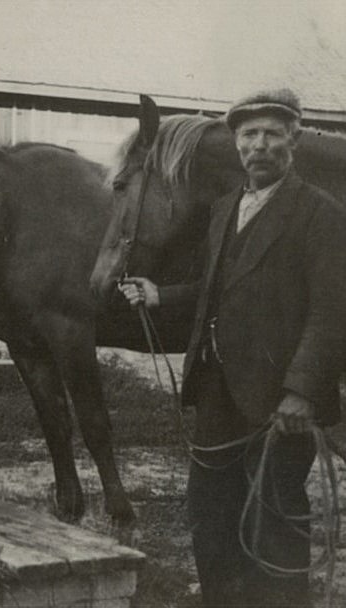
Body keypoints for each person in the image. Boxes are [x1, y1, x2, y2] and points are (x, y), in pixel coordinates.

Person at [119, 88, 346, 606]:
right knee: (210, 515)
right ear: (237, 144)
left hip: (280, 403)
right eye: (249, 135)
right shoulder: (225, 209)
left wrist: (303, 392)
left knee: (274, 519)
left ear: (293, 140)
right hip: (219, 387)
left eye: (271, 133)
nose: (259, 144)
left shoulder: (321, 214)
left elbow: (333, 311)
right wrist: (162, 295)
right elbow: (220, 285)